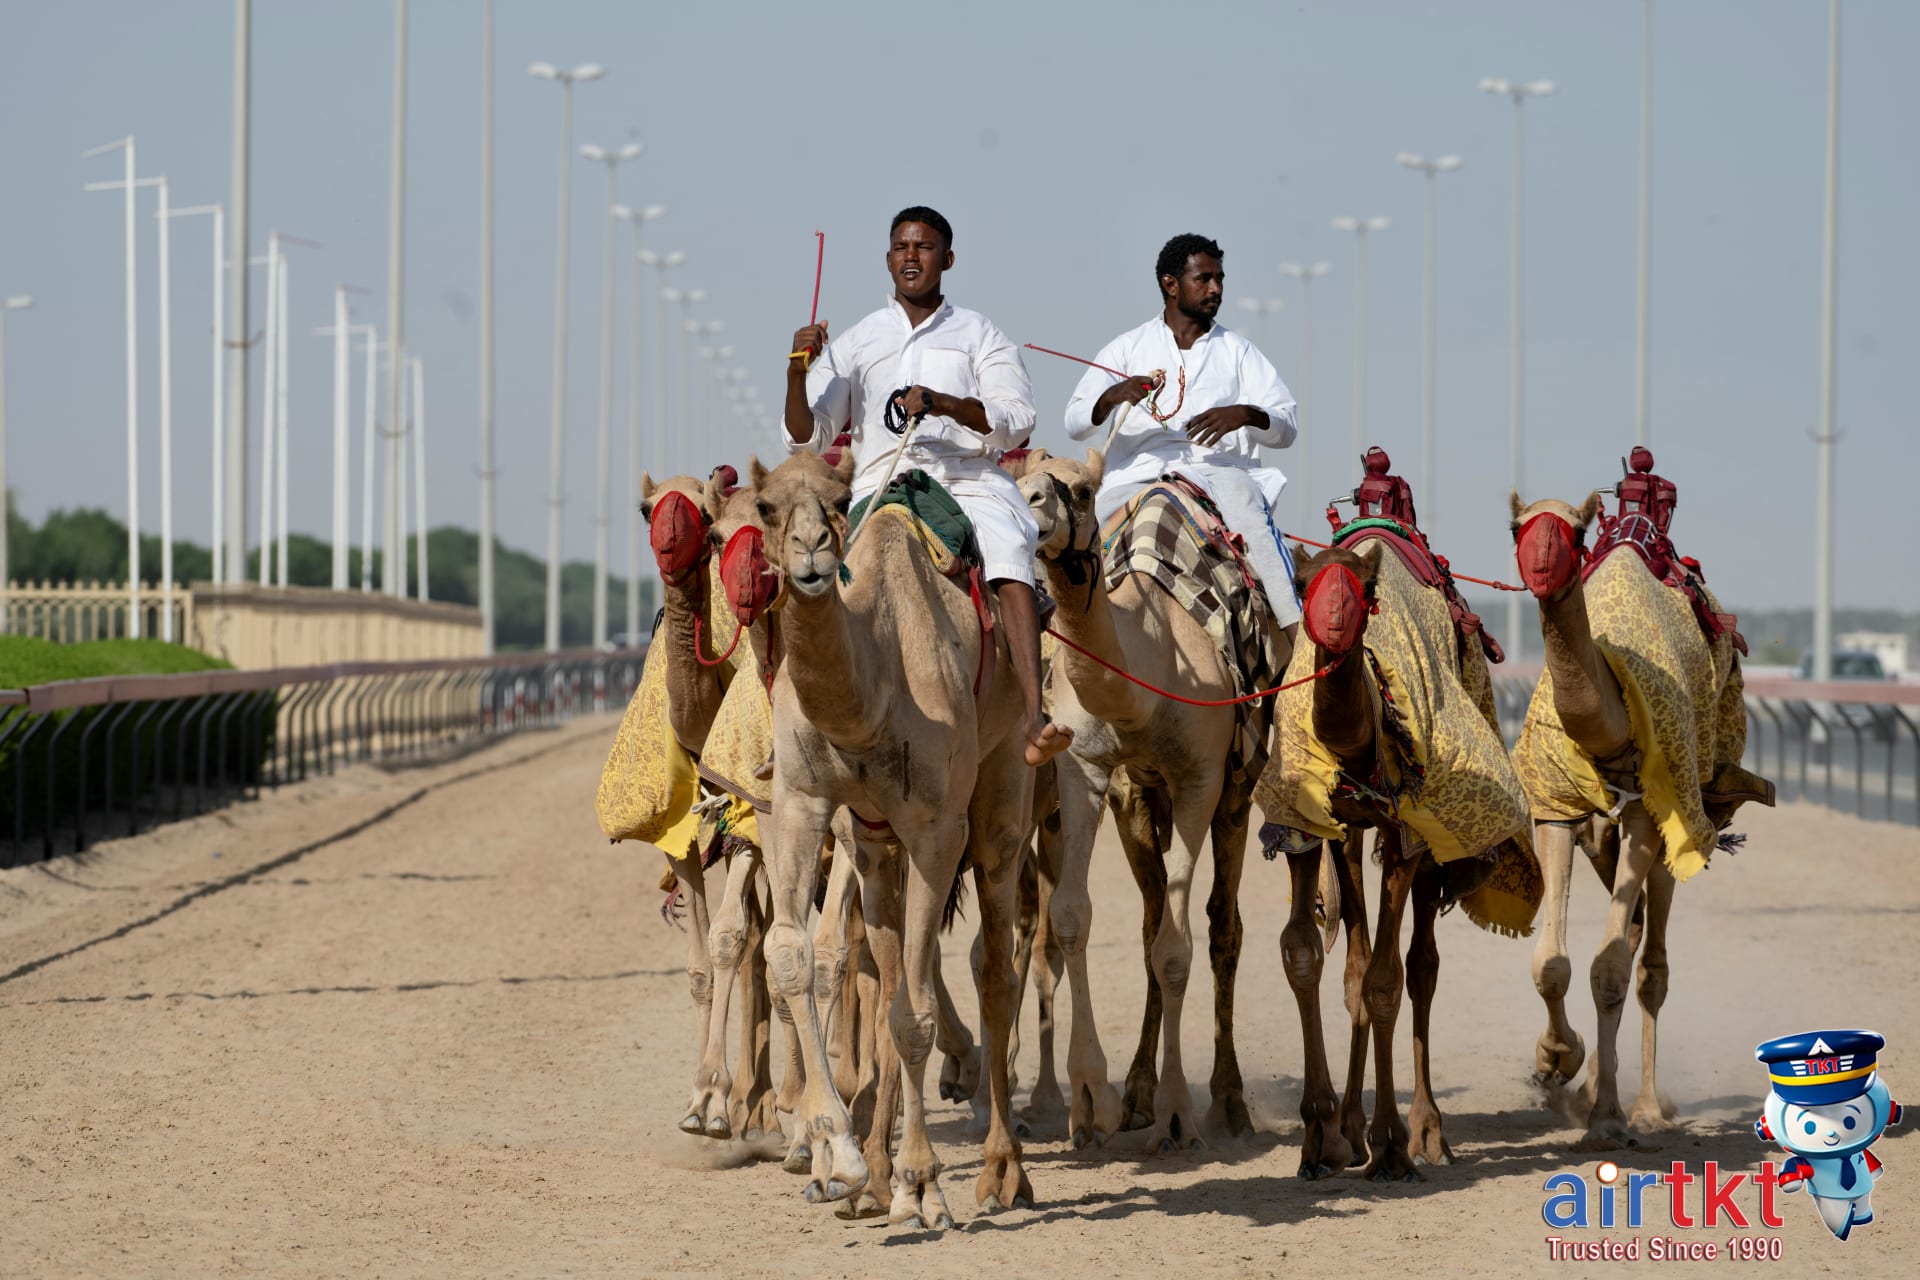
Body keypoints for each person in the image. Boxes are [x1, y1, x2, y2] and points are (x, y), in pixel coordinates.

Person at [785, 206, 1071, 767]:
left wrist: (944, 404)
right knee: (807, 572)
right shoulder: (855, 341)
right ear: (888, 258)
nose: (910, 256)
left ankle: (1034, 718)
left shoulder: (979, 333)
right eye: (900, 246)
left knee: (1011, 548)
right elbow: (807, 436)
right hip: (880, 484)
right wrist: (796, 371)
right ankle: (788, 734)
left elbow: (1016, 418)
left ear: (948, 258)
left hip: (965, 480)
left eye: (923, 246)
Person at [1063, 233, 1303, 633]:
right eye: (1204, 279)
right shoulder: (1127, 348)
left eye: (1220, 279)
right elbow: (1074, 422)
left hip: (1219, 473)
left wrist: (1247, 414)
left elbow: (1286, 427)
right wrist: (1112, 396)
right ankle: (1054, 642)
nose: (1216, 289)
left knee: (1252, 520)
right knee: (1077, 536)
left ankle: (1296, 634)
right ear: (1170, 284)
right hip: (1137, 477)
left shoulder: (1238, 352)